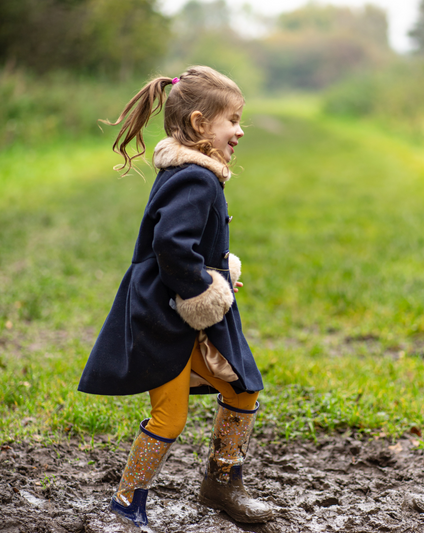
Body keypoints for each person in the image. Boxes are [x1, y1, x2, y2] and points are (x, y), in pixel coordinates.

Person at [78, 66, 273, 527]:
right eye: (234, 120)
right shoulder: (196, 178)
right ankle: (128, 504)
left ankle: (221, 485)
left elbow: (188, 246)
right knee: (170, 417)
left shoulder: (193, 172)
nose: (240, 130)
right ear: (202, 123)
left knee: (242, 388)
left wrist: (220, 272)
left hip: (183, 315)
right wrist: (204, 291)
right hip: (165, 320)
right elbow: (170, 246)